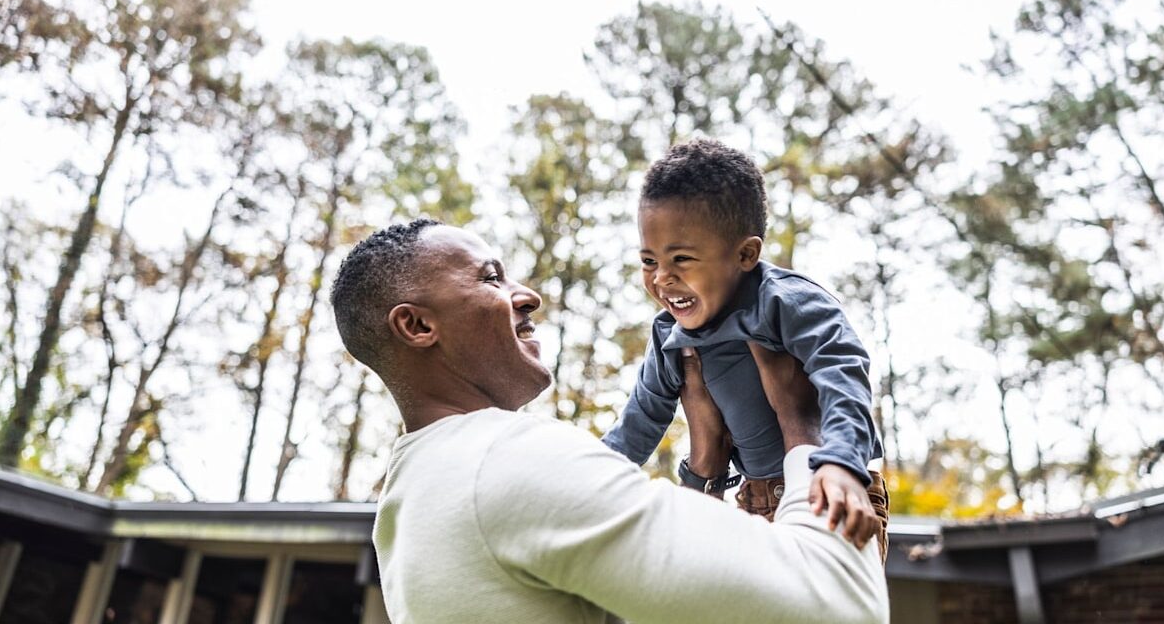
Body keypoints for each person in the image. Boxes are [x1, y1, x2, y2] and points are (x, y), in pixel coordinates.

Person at [330, 219, 889, 623]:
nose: (528, 296)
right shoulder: (513, 461)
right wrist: (802, 428)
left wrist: (704, 476)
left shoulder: (412, 500)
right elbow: (839, 609)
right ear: (417, 326)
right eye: (492, 279)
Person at [601, 139, 888, 556]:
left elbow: (843, 376)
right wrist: (587, 483)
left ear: (745, 254)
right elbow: (637, 424)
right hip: (752, 501)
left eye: (681, 259)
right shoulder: (669, 337)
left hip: (829, 486)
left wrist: (841, 462)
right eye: (649, 261)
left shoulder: (785, 303)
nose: (661, 278)